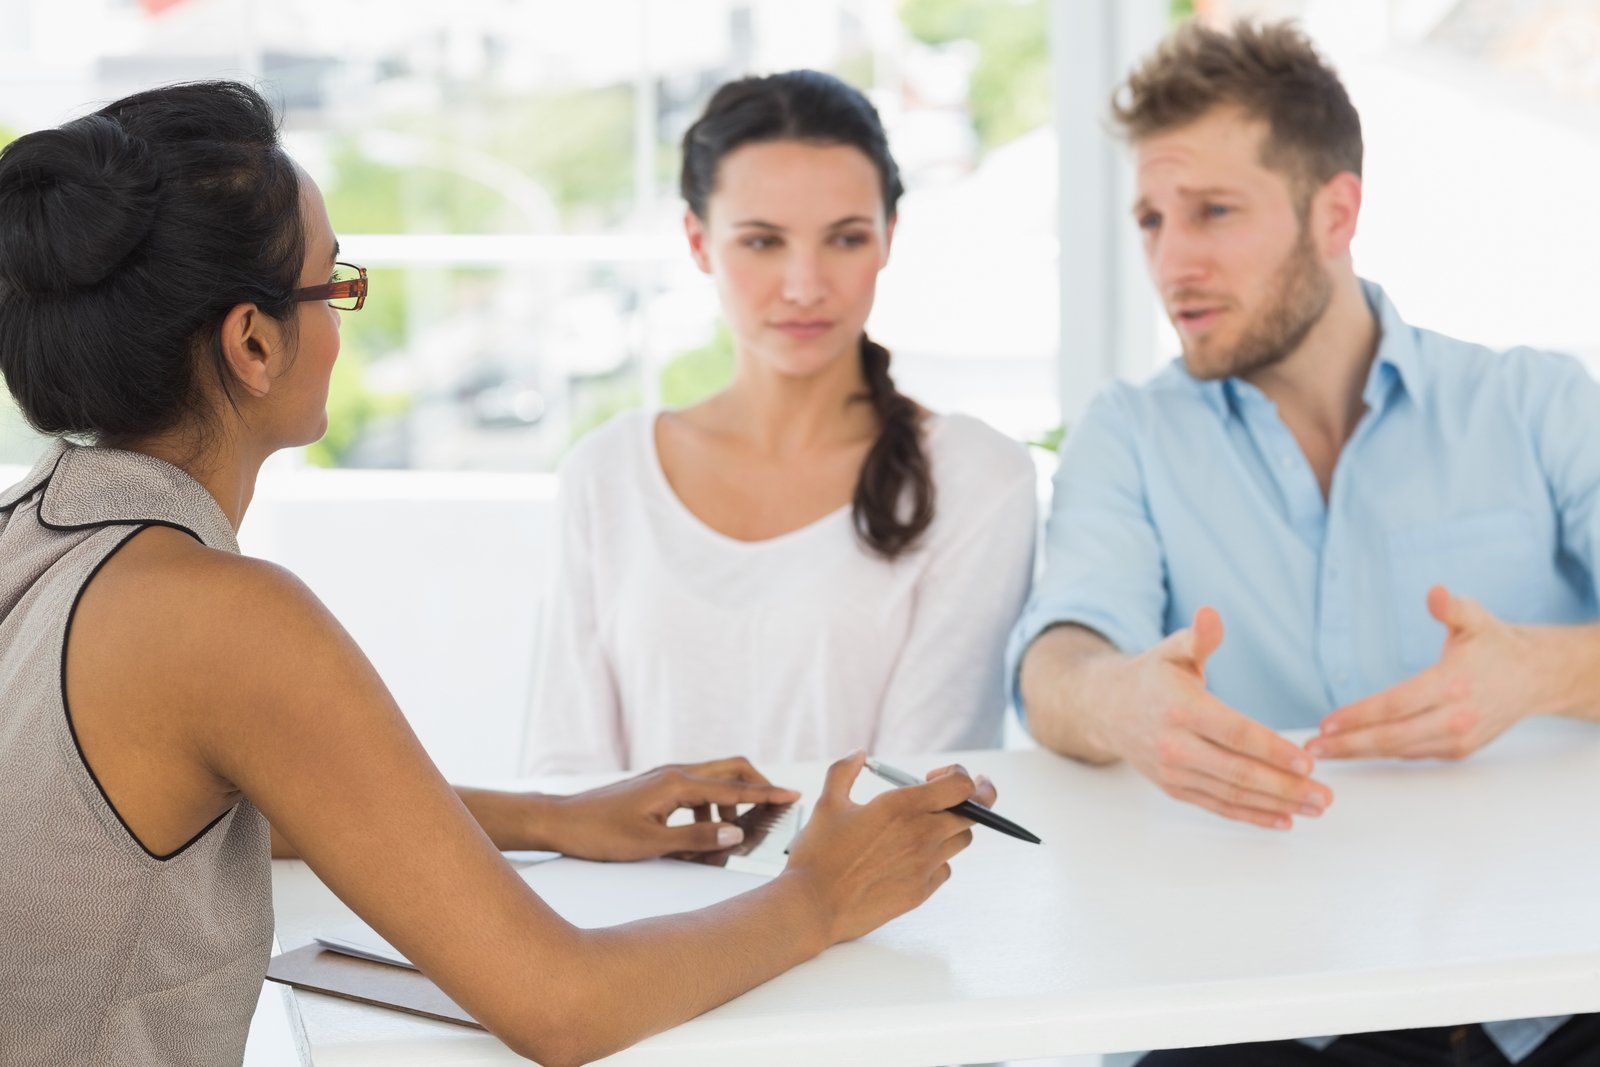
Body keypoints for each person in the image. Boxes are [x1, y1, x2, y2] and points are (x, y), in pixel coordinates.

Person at [0, 81, 996, 1067]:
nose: (347, 326)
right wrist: (816, 895)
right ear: (254, 344)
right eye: (336, 284)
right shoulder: (219, 616)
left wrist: (555, 815)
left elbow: (182, 814)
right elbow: (561, 1006)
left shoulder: (31, 535)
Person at [1008, 20, 1600, 1066]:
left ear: (1335, 212)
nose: (1170, 259)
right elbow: (1058, 657)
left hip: (1544, 999)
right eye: (1150, 218)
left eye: (1214, 212)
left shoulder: (1532, 403)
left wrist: (1543, 670)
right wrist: (1121, 700)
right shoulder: (1129, 436)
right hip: (1262, 1006)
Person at [519, 70, 1037, 776]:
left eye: (845, 239)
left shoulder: (977, 478)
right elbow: (564, 784)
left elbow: (914, 793)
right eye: (763, 242)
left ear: (889, 236)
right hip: (624, 891)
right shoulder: (605, 473)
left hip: (868, 889)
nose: (804, 286)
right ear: (699, 242)